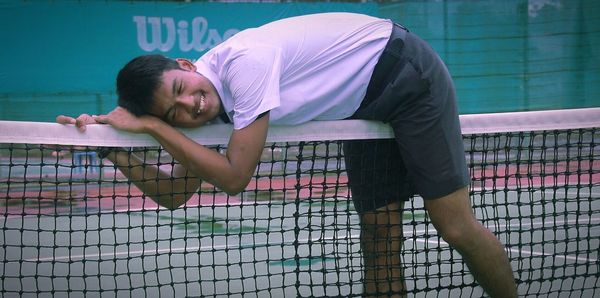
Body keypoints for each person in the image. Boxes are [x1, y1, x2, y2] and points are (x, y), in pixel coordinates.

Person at [57, 12, 517, 297]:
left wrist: (156, 126)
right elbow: (177, 192)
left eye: (183, 91)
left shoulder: (244, 63)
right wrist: (110, 149)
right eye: (175, 113)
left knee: (453, 225)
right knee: (378, 234)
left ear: (187, 65)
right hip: (359, 108)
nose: (191, 106)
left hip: (403, 72)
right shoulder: (200, 112)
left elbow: (236, 177)